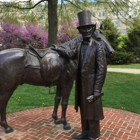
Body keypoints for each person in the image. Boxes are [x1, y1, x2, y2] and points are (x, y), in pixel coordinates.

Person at [52, 10, 107, 140]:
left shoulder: (98, 46)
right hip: (81, 86)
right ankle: (85, 133)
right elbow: (71, 54)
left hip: (92, 85)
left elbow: (102, 70)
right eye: (83, 29)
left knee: (93, 112)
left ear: (93, 29)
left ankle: (94, 137)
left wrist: (96, 91)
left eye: (89, 28)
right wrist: (58, 48)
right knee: (84, 110)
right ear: (80, 31)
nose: (86, 31)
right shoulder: (81, 45)